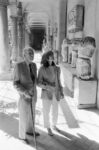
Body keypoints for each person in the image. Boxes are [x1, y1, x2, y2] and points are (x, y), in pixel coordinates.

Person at [13, 46, 40, 143]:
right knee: (23, 116)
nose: (32, 55)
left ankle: (30, 130)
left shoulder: (34, 65)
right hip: (24, 96)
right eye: (30, 53)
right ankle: (22, 137)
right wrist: (25, 92)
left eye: (33, 53)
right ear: (24, 55)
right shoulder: (18, 66)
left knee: (32, 115)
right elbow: (15, 83)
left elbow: (35, 81)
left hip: (33, 95)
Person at [37, 51, 64, 136]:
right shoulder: (42, 69)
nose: (52, 57)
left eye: (53, 56)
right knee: (46, 111)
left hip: (56, 92)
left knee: (55, 110)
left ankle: (54, 125)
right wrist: (48, 86)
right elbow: (38, 82)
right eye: (50, 56)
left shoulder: (57, 68)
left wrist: (61, 91)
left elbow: (59, 81)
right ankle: (48, 127)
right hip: (46, 93)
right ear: (46, 57)